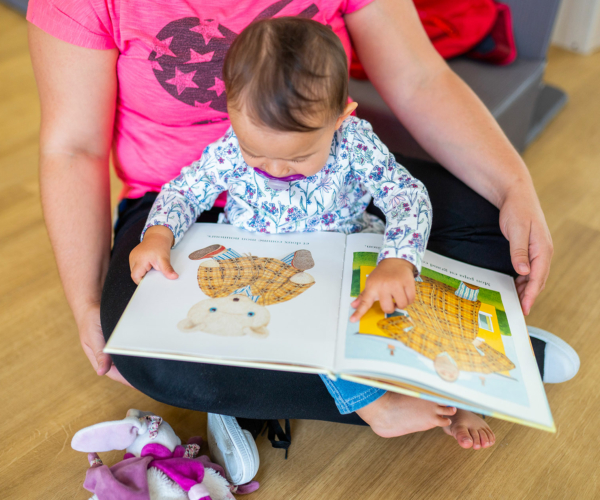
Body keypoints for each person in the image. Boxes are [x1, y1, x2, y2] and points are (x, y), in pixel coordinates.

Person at [27, 0, 579, 488]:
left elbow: (408, 193)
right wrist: (157, 235)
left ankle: (273, 384)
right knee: (145, 346)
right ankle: (417, 386)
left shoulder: (355, 146)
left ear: (342, 117)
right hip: (244, 253)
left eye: (294, 160)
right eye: (256, 153)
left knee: (490, 224)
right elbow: (182, 187)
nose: (271, 170)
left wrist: (402, 257)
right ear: (233, 117)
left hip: (339, 248)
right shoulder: (230, 149)